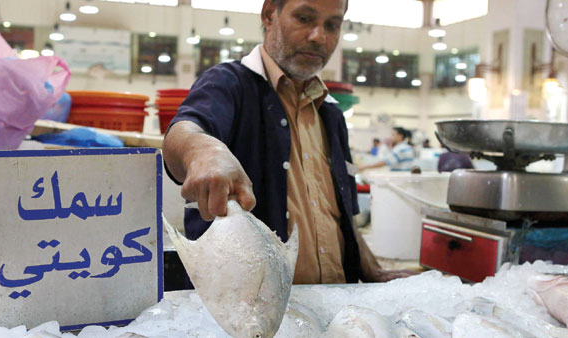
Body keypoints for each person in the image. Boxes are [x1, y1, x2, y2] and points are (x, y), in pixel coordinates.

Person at [163, 0, 414, 284]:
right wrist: (202, 151)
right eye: (304, 18)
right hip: (249, 312)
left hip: (334, 309)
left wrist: (373, 270)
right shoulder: (229, 83)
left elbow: (343, 216)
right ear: (270, 13)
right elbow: (181, 133)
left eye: (332, 25)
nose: (319, 36)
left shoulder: (330, 112)